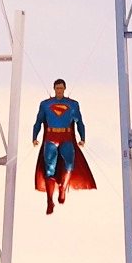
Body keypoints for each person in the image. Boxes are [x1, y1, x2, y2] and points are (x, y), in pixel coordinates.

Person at [31, 78, 96, 214]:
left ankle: (62, 189)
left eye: (61, 88)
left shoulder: (72, 104)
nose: (59, 91)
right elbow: (38, 121)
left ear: (64, 89)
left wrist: (83, 138)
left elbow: (80, 122)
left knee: (69, 164)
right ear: (54, 89)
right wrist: (34, 137)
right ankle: (49, 200)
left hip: (66, 137)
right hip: (51, 137)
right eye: (57, 88)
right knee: (49, 168)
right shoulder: (45, 104)